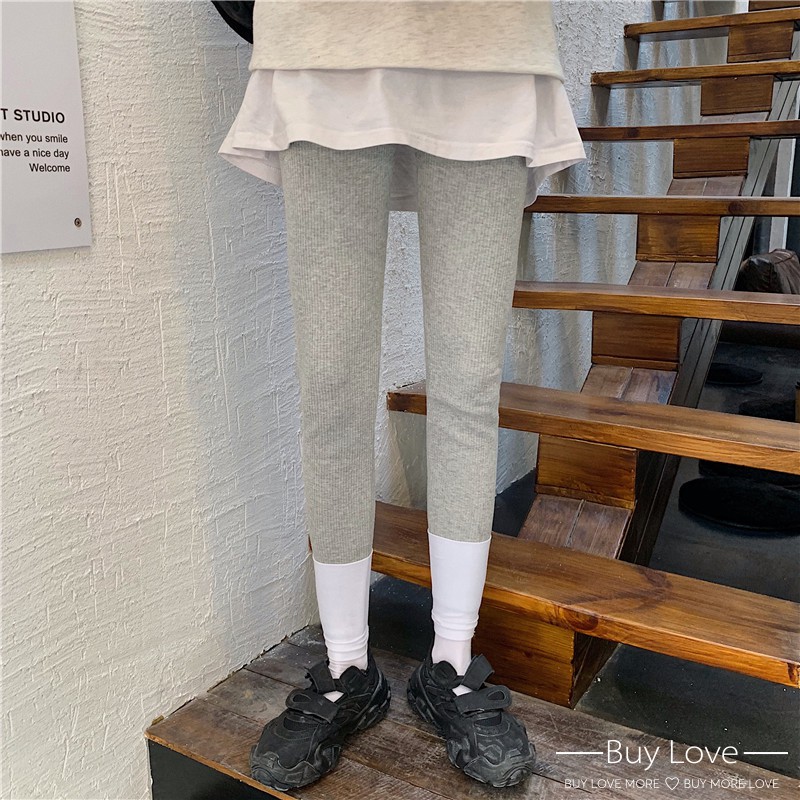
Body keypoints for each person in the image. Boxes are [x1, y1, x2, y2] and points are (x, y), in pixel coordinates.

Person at [217, 0, 585, 790]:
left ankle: (451, 663)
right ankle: (347, 667)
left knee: (468, 384)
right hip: (326, 44)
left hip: (487, 45)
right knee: (331, 386)